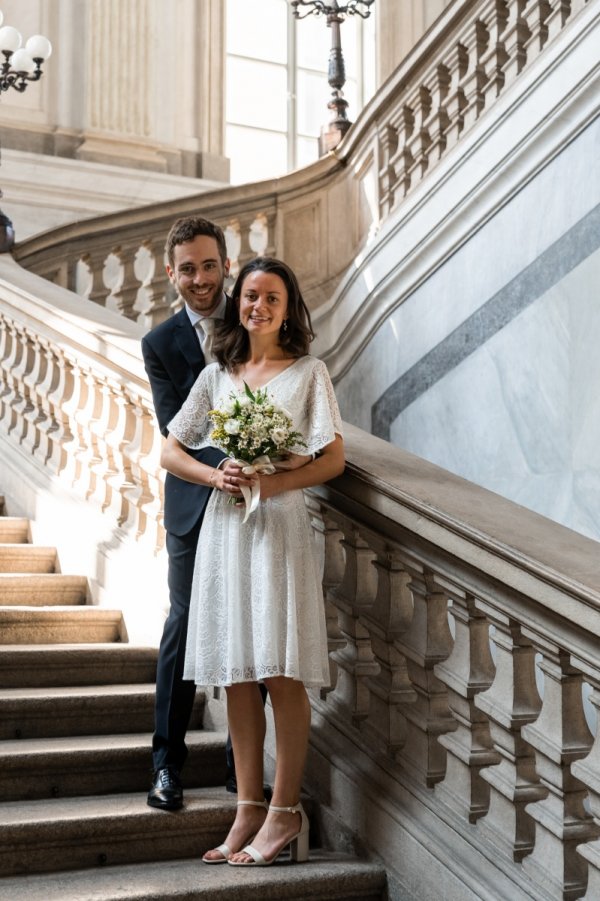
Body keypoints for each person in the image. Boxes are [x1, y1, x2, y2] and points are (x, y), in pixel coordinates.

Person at [161, 256, 345, 866]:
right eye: (248, 296)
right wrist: (218, 474)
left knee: (279, 669)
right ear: (237, 305)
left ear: (288, 307)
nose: (256, 305)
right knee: (238, 670)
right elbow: (169, 449)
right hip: (226, 527)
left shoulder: (309, 373)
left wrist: (279, 475)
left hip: (278, 527)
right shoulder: (218, 374)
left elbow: (332, 459)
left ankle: (284, 813)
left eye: (270, 297)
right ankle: (247, 806)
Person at [142, 215, 254, 810]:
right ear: (171, 273)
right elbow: (175, 431)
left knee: (248, 625)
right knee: (182, 628)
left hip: (254, 505)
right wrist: (229, 462)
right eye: (188, 268)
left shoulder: (254, 316)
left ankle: (244, 760)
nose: (201, 278)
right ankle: (166, 766)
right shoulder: (159, 344)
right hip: (192, 503)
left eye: (210, 265)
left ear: (226, 264)